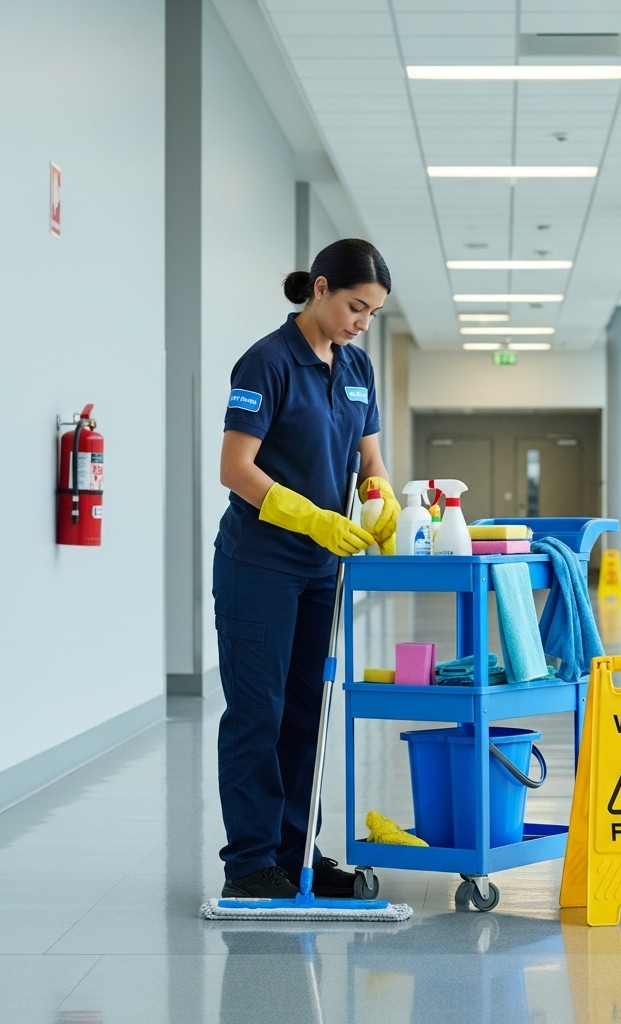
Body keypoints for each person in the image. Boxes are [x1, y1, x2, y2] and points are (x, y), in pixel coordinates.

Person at [213, 238, 401, 899]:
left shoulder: (357, 369)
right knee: (257, 714)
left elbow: (370, 461)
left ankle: (296, 857)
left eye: (373, 314)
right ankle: (250, 864)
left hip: (324, 570)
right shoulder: (267, 362)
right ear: (320, 289)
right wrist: (310, 516)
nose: (362, 324)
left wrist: (381, 497)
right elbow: (236, 468)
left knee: (305, 716)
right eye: (356, 307)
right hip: (259, 566)